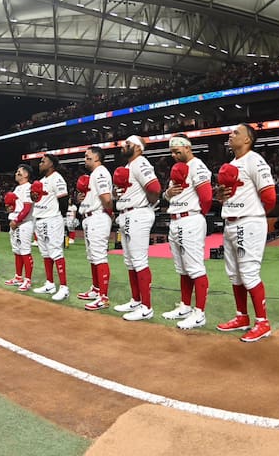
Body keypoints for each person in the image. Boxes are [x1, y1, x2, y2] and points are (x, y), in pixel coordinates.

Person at [215, 123, 276, 343]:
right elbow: (226, 196)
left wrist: (254, 215)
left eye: (236, 133)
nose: (230, 135)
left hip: (247, 222)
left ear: (248, 139)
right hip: (230, 222)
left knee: (249, 273)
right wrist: (221, 195)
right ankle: (242, 316)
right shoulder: (232, 164)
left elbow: (269, 197)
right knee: (235, 274)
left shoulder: (255, 160)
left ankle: (263, 322)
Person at [161, 134, 213, 330]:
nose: (174, 155)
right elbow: (168, 195)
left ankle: (199, 313)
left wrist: (197, 215)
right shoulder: (177, 168)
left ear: (187, 147)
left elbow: (207, 197)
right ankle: (185, 306)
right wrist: (168, 194)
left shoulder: (197, 166)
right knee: (182, 268)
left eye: (177, 151)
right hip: (175, 219)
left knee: (195, 268)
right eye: (172, 152)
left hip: (189, 219)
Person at [113, 135, 161, 321]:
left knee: (139, 261)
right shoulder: (128, 167)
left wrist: (147, 204)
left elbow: (155, 188)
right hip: (126, 214)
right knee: (130, 261)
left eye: (129, 143)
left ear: (139, 148)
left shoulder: (140, 163)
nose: (124, 145)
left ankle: (146, 307)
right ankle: (136, 300)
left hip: (137, 214)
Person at [77, 146, 114, 311]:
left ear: (97, 158)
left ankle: (103, 297)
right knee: (93, 257)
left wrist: (109, 212)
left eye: (88, 156)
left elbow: (106, 198)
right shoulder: (94, 174)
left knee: (99, 257)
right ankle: (96, 289)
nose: (85, 159)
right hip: (90, 217)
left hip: (97, 217)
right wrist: (83, 200)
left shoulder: (100, 173)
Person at [31, 154, 70, 301]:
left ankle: (64, 287)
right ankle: (50, 283)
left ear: (51, 164)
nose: (40, 164)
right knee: (46, 253)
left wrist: (59, 218)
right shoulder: (42, 181)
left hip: (51, 219)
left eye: (43, 161)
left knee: (56, 253)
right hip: (40, 218)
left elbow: (64, 201)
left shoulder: (57, 178)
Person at [4, 164, 35, 291]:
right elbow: (15, 206)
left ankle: (28, 280)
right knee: (17, 251)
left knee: (25, 251)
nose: (16, 173)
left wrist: (17, 220)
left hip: (25, 223)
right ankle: (18, 277)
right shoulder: (17, 188)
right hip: (15, 223)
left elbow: (27, 207)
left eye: (19, 171)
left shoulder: (29, 187)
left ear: (26, 174)